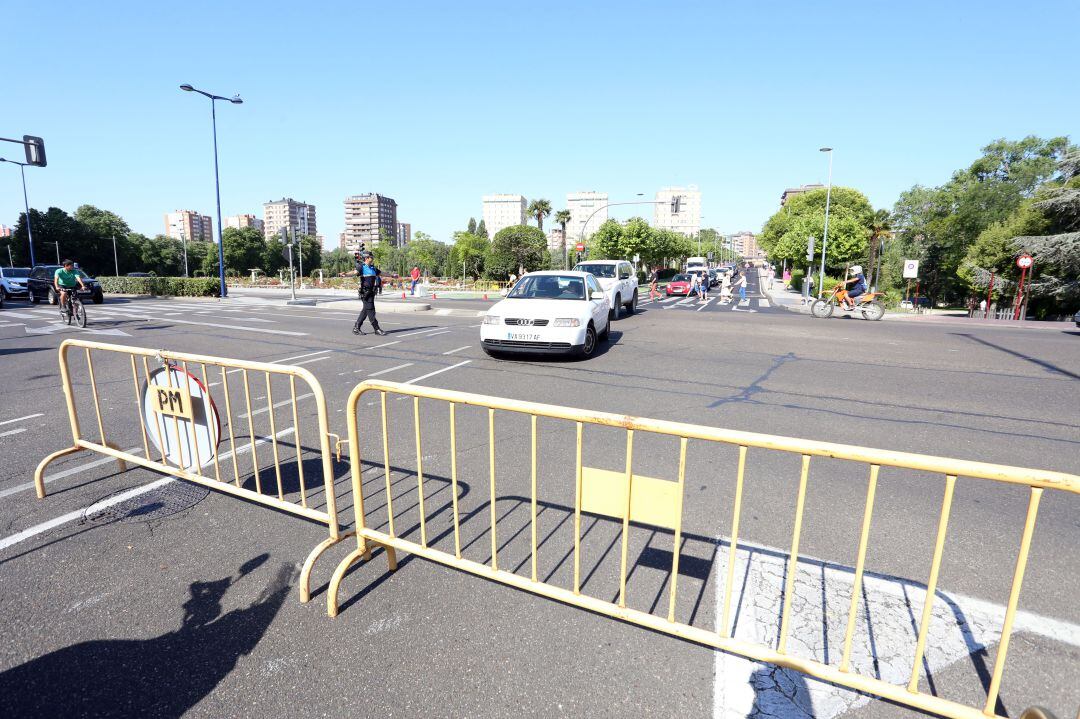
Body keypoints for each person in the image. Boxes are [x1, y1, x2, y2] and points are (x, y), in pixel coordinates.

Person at [339, 252, 386, 335]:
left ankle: (356, 328)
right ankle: (376, 329)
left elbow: (382, 273)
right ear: (367, 258)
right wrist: (345, 274)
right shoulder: (362, 267)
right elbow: (354, 272)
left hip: (372, 292)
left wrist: (392, 275)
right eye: (371, 257)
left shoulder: (373, 268)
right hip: (365, 293)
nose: (372, 258)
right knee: (371, 310)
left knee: (365, 311)